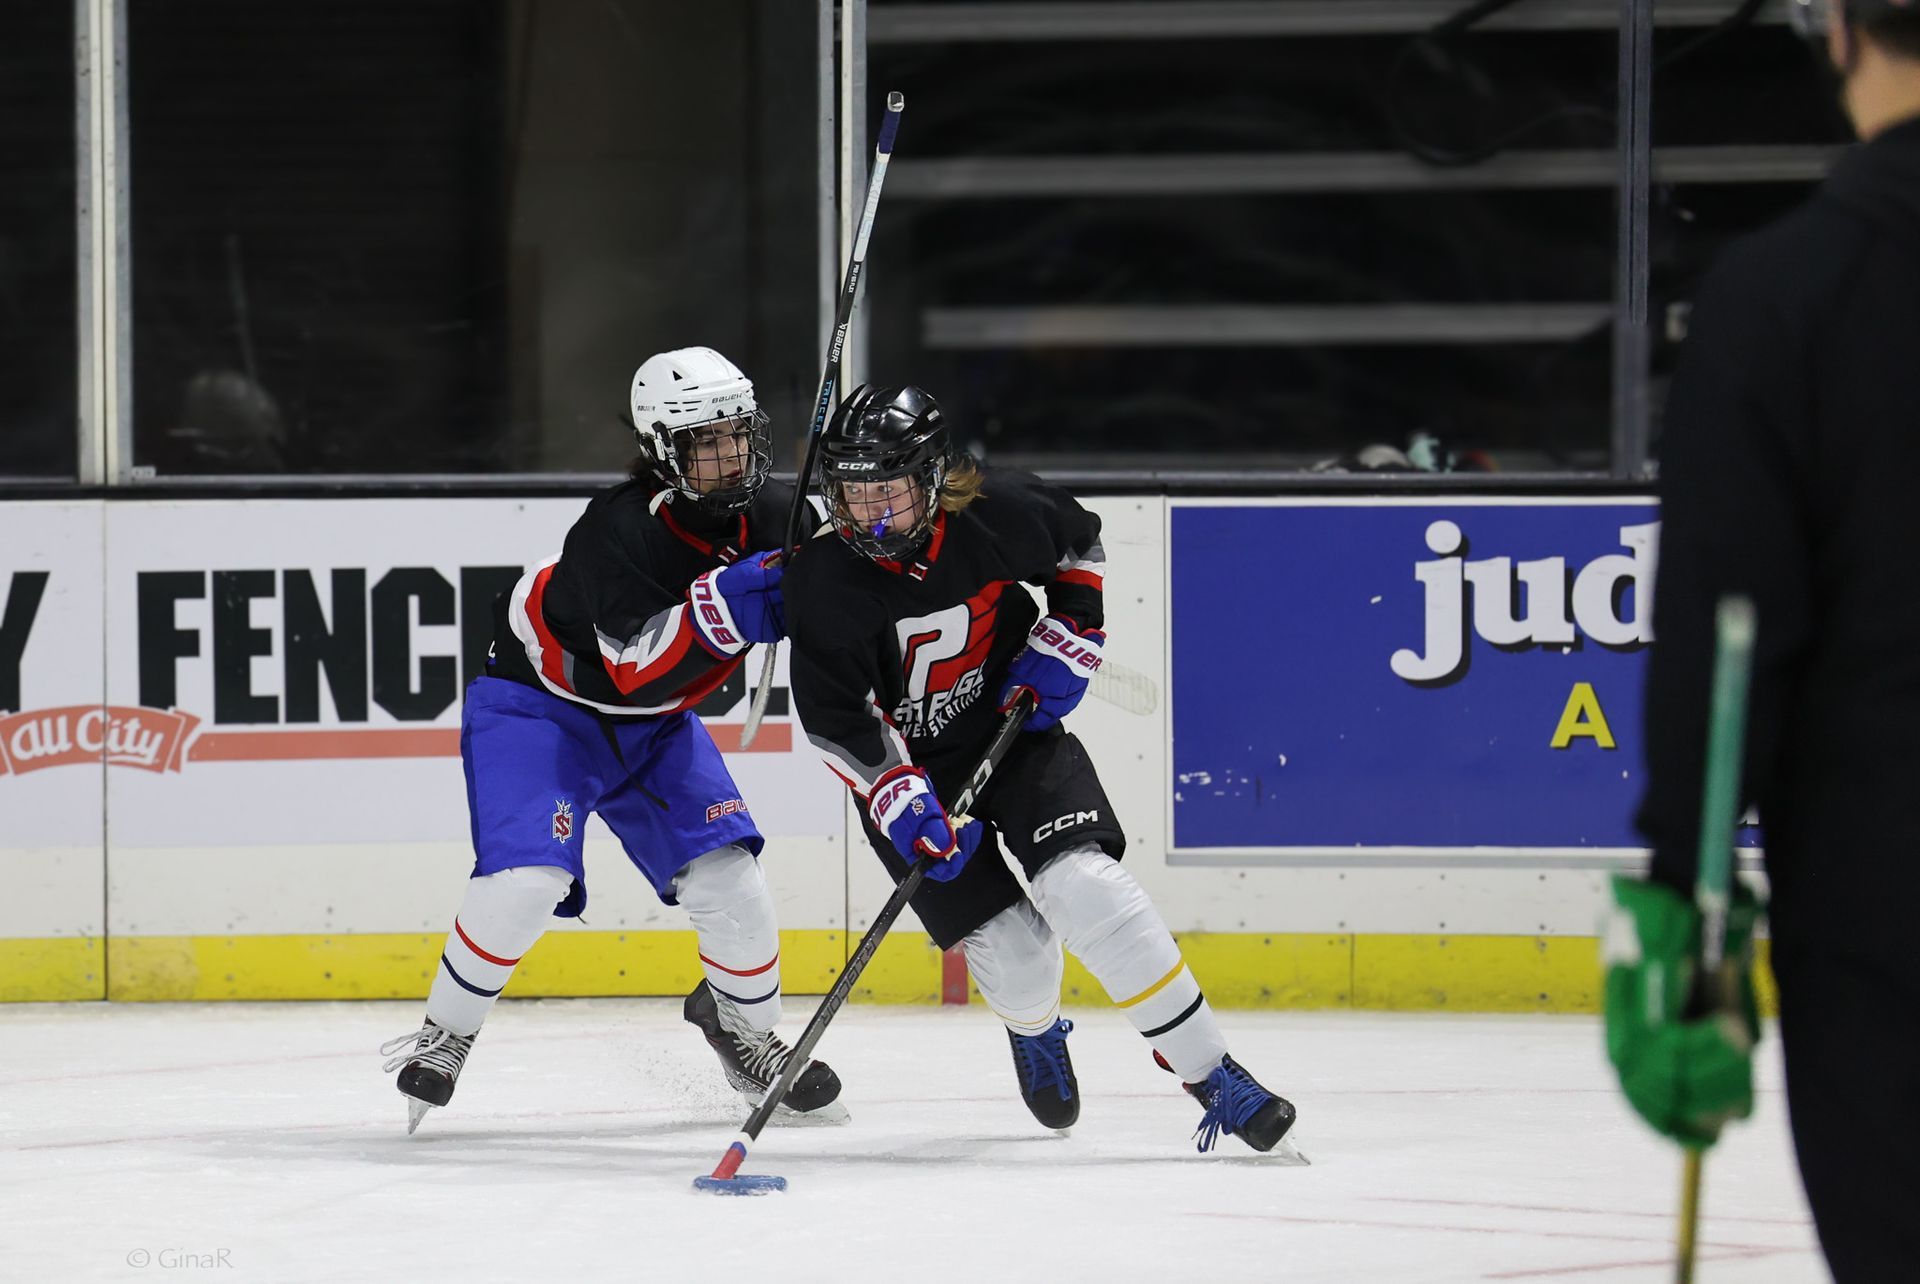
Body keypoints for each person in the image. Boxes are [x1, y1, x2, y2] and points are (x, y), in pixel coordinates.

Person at [1606, 1, 1920, 1276]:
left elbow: (1727, 635)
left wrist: (1684, 903)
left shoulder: (1787, 295)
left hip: (1883, 909)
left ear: (1835, 29)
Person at [783, 383, 1296, 1152]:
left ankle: (1210, 1072)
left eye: (887, 490)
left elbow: (1078, 546)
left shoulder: (999, 511)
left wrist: (1071, 632)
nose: (869, 514)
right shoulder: (822, 578)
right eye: (852, 494)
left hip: (1014, 731)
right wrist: (901, 799)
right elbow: (835, 720)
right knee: (1019, 960)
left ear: (931, 477)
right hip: (911, 777)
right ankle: (1035, 1027)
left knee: (1087, 886)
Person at [381, 347, 843, 1132]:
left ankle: (745, 1030)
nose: (730, 453)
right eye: (706, 440)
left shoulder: (780, 514)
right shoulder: (617, 529)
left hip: (656, 728)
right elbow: (637, 671)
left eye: (738, 432)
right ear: (664, 449)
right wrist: (729, 601)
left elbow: (852, 593)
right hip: (541, 711)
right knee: (527, 881)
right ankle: (446, 1032)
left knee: (730, 876)